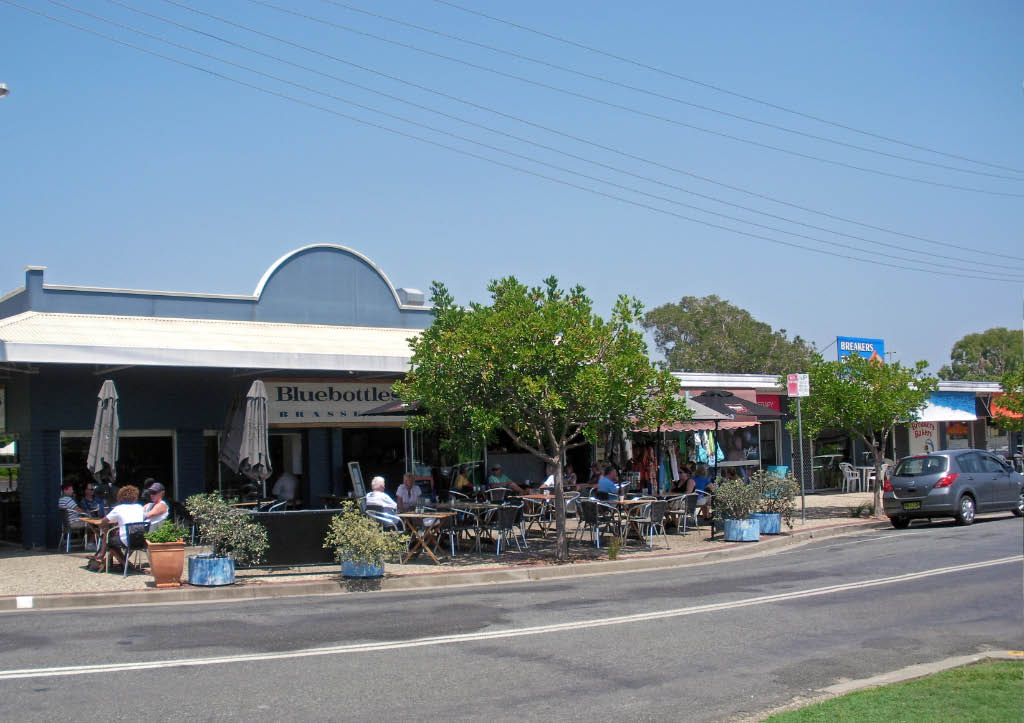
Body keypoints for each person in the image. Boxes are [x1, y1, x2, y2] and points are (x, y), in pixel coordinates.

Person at [88, 484, 145, 571]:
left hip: (127, 540)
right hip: (141, 540)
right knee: (114, 538)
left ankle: (120, 562)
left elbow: (104, 521)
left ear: (120, 497)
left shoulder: (119, 508)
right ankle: (123, 563)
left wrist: (105, 528)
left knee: (108, 539)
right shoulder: (140, 507)